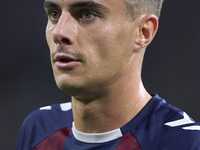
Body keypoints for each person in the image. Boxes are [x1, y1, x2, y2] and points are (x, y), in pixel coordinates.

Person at [16, 0, 200, 149]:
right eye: (54, 14)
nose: (59, 32)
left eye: (87, 14)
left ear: (143, 32)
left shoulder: (184, 143)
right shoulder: (38, 130)